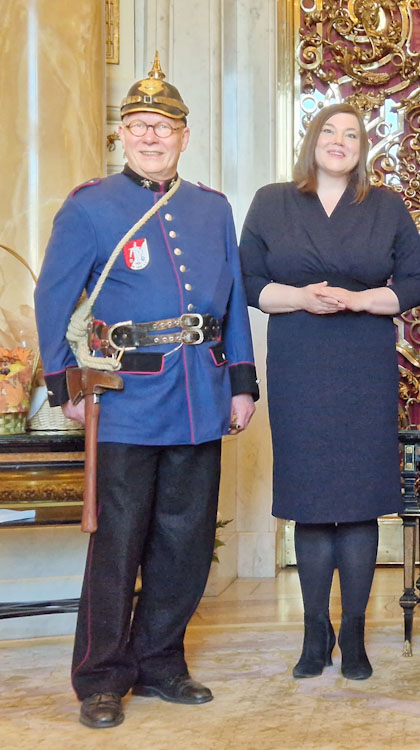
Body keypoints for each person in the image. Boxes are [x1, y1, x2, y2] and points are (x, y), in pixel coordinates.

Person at [34, 56, 259, 729]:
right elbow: (53, 298)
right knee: (119, 543)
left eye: (162, 126)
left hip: (201, 394)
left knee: (185, 542)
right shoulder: (91, 206)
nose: (150, 136)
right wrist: (62, 384)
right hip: (127, 398)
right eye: (137, 125)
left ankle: (162, 663)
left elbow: (232, 302)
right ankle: (101, 677)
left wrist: (241, 384)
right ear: (123, 136)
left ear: (184, 136)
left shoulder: (212, 209)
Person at [239, 102, 420, 681]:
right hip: (299, 360)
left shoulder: (386, 205)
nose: (340, 141)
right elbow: (246, 280)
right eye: (330, 130)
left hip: (363, 363)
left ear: (362, 148)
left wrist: (363, 300)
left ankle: (355, 635)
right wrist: (300, 297)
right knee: (312, 503)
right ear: (312, 140)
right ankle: (313, 634)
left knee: (356, 503)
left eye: (351, 134)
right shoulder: (273, 200)